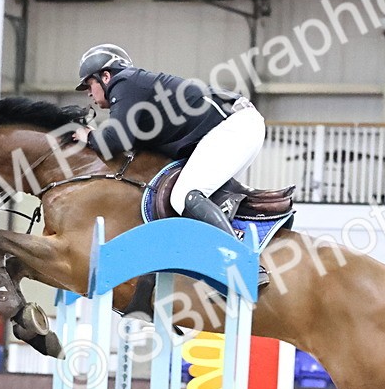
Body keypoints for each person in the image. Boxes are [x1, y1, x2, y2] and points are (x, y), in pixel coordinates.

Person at [72, 44, 268, 283]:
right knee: (189, 195)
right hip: (235, 127)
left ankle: (243, 263)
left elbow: (114, 140)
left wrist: (88, 136)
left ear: (105, 76)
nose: (88, 93)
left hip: (236, 127)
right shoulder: (133, 89)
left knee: (184, 195)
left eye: (88, 85)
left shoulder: (124, 82)